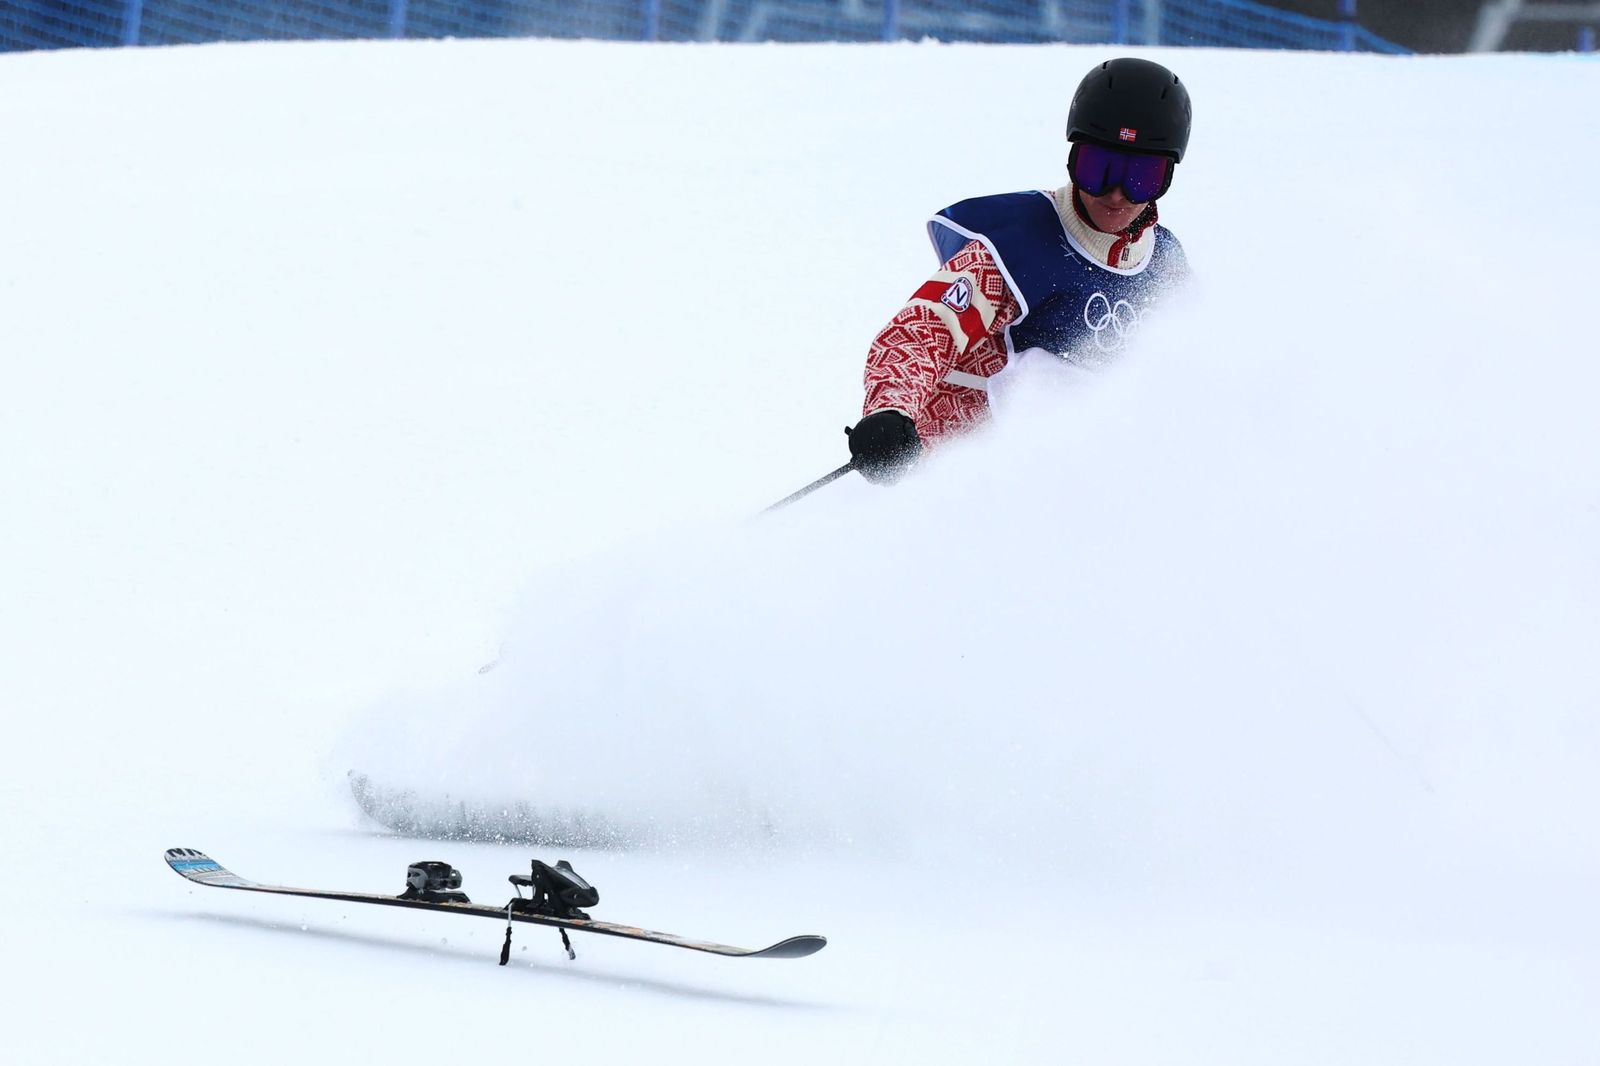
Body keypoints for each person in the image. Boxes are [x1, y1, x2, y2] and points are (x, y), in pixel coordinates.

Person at [846, 57, 1194, 483]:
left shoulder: (1165, 265)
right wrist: (890, 410)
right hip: (960, 482)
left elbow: (1192, 371)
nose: (1117, 194)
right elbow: (923, 332)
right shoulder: (1018, 244)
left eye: (1141, 176)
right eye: (1098, 169)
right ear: (1073, 159)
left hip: (1088, 490)